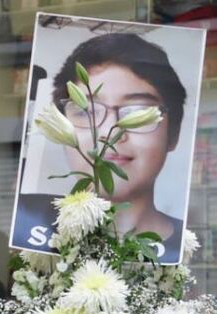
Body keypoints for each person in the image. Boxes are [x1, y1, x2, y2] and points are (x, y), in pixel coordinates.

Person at [51, 32, 188, 263]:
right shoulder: (32, 230)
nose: (108, 133)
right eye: (87, 112)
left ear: (173, 133)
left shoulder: (186, 251)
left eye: (137, 113)